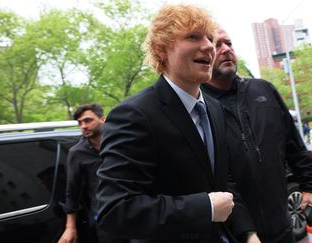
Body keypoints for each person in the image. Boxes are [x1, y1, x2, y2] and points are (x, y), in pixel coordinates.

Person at [96, 4, 253, 242]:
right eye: (193, 36)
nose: (209, 46)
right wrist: (204, 208)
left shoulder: (215, 109)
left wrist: (248, 233)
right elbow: (115, 211)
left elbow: (223, 183)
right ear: (161, 49)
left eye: (209, 38)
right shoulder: (133, 115)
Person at [201, 28, 312, 243]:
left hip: (282, 227)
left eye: (229, 43)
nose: (226, 50)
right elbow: (216, 181)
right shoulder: (199, 107)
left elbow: (294, 146)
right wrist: (247, 232)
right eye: (217, 45)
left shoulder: (264, 91)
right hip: (236, 235)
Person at [59, 104, 113, 243]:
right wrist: (70, 227)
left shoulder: (119, 144)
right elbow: (72, 191)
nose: (83, 126)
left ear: (103, 120)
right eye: (80, 123)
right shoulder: (77, 153)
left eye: (88, 120)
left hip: (134, 213)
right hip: (105, 219)